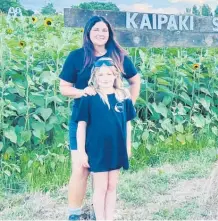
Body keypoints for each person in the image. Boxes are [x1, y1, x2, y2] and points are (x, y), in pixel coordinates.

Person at [59, 15, 141, 220]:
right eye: (96, 30)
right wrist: (84, 92)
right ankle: (74, 214)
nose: (100, 33)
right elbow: (64, 88)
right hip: (83, 120)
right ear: (88, 33)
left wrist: (125, 104)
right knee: (81, 167)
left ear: (109, 33)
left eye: (104, 30)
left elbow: (135, 80)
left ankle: (100, 213)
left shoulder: (119, 56)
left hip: (111, 125)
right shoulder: (77, 57)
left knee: (104, 169)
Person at [75, 57, 136, 221]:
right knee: (100, 188)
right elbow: (81, 127)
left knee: (112, 186)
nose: (105, 78)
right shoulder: (90, 97)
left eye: (109, 74)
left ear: (116, 75)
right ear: (95, 77)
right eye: (101, 75)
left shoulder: (123, 96)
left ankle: (109, 218)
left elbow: (128, 124)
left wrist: (128, 146)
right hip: (97, 149)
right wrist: (81, 152)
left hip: (117, 148)